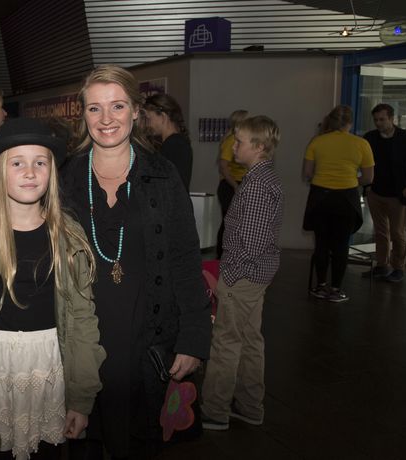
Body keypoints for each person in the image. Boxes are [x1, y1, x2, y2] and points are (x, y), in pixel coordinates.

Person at [61, 64, 211, 460]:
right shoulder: (65, 177)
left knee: (139, 443)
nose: (106, 118)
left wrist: (193, 337)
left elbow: (184, 257)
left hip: (146, 338)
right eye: (94, 108)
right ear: (83, 115)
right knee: (83, 445)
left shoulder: (163, 175)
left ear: (135, 111)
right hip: (84, 340)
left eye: (117, 106)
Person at [0, 117, 105, 460]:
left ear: (52, 172)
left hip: (52, 368)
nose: (30, 172)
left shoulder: (69, 235)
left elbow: (83, 321)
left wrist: (81, 398)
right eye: (17, 163)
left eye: (40, 163)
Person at [200, 115, 283, 431]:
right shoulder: (261, 178)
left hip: (243, 276)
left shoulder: (258, 185)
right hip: (253, 275)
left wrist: (230, 274)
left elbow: (253, 242)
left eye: (239, 142)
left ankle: (215, 410)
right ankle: (249, 405)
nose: (233, 146)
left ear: (259, 147)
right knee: (249, 339)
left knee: (226, 342)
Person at [303, 105, 374, 303]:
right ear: (350, 122)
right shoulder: (361, 144)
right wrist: (350, 180)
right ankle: (336, 290)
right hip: (346, 199)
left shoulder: (317, 141)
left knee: (321, 244)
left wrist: (324, 179)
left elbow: (307, 173)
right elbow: (368, 178)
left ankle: (320, 286)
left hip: (320, 198)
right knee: (341, 246)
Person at [362, 103, 406, 283]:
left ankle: (398, 268)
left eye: (382, 119)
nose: (378, 123)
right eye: (376, 120)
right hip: (376, 192)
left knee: (397, 233)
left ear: (392, 118)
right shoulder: (370, 138)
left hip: (397, 194)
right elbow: (364, 163)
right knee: (380, 232)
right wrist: (367, 186)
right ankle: (382, 265)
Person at [216, 109, 249, 258]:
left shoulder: (242, 140)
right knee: (229, 224)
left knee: (237, 224)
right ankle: (221, 258)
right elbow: (223, 167)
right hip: (230, 186)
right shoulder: (232, 141)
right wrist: (235, 186)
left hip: (239, 184)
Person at [143, 93, 193, 192]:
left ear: (163, 116)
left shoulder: (175, 144)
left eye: (149, 119)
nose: (147, 124)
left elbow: (171, 183)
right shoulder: (174, 142)